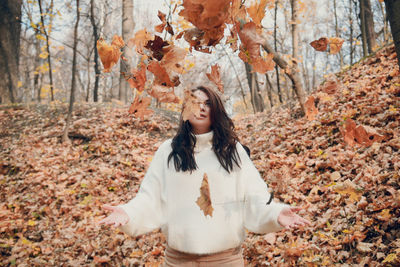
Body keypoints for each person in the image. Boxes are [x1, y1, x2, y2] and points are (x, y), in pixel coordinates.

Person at [99, 86, 310, 266]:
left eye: (207, 103)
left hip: (226, 261)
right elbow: (149, 198)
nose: (200, 108)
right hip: (178, 261)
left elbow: (255, 196)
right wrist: (128, 213)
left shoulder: (233, 151)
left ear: (216, 110)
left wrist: (276, 213)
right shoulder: (168, 151)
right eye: (194, 102)